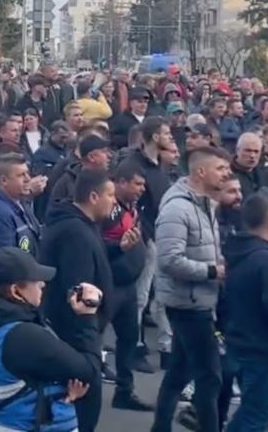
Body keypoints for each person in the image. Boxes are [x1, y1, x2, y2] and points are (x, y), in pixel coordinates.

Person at [0, 246, 102, 432]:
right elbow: (89, 370)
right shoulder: (23, 335)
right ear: (16, 290)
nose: (42, 284)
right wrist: (87, 317)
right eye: (35, 280)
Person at [152, 145, 232, 432]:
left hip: (200, 299)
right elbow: (170, 260)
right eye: (221, 169)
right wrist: (212, 271)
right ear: (200, 171)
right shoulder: (177, 208)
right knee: (210, 377)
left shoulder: (205, 204)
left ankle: (159, 427)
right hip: (188, 303)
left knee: (178, 372)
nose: (227, 174)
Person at [38, 168, 119, 429]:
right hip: (76, 339)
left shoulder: (83, 227)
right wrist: (83, 349)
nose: (114, 201)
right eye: (110, 195)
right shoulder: (76, 233)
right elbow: (78, 294)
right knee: (83, 409)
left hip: (79, 335)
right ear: (94, 197)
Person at [220, 194, 268, 432]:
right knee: (255, 416)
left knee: (251, 410)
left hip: (238, 341)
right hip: (261, 349)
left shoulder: (234, 254)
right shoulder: (267, 261)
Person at [102, 165, 156, 411]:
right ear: (121, 183)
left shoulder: (133, 208)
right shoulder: (109, 210)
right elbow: (95, 241)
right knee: (93, 337)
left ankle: (125, 390)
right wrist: (118, 247)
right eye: (137, 184)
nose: (141, 189)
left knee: (128, 339)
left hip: (128, 285)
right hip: (110, 284)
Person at [0, 154, 39, 263]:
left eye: (27, 173)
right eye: (21, 175)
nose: (28, 179)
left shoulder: (20, 201)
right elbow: (3, 263)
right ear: (4, 180)